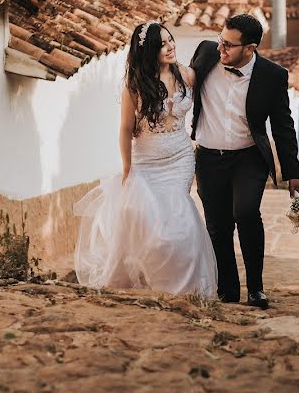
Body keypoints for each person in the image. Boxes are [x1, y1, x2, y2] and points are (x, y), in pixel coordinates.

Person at [74, 21, 217, 296]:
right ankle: (149, 278)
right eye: (161, 44)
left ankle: (182, 285)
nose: (170, 47)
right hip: (147, 162)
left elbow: (210, 51)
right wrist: (127, 170)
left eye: (170, 40)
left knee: (179, 219)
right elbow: (126, 129)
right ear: (149, 51)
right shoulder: (135, 86)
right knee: (148, 221)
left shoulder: (187, 76)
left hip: (180, 159)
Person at [191, 14, 299, 309]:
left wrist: (293, 172)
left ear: (250, 48)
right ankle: (227, 290)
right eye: (220, 40)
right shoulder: (205, 53)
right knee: (217, 224)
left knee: (246, 212)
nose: (220, 49)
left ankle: (256, 288)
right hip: (208, 157)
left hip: (248, 157)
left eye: (228, 45)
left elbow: (283, 125)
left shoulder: (272, 75)